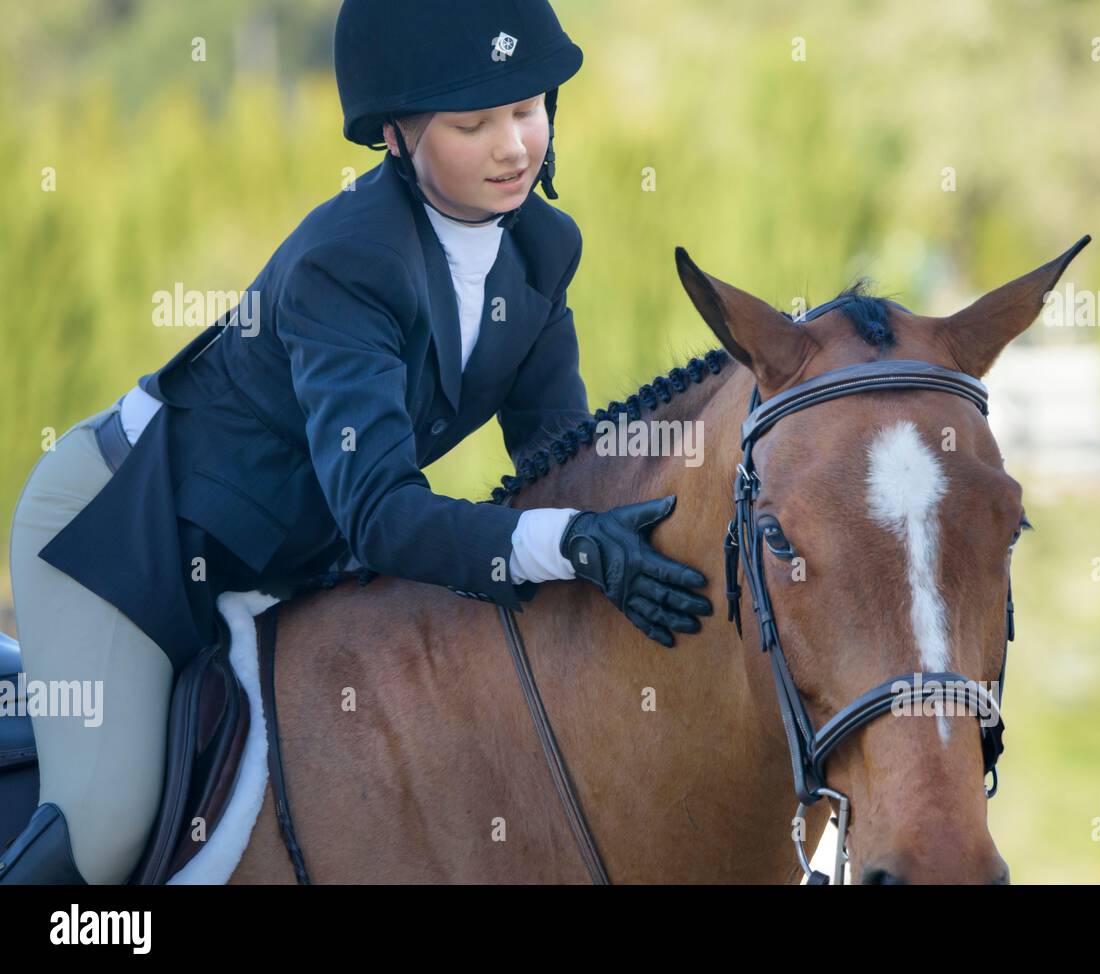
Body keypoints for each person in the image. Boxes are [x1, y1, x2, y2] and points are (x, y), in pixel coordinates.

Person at [1, 0, 711, 886]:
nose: (513, 146)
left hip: (283, 560)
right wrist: (563, 543)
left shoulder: (542, 250)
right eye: (473, 123)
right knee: (109, 829)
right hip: (121, 535)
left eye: (527, 109)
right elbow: (380, 512)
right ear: (394, 137)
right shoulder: (349, 260)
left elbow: (557, 470)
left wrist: (633, 543)